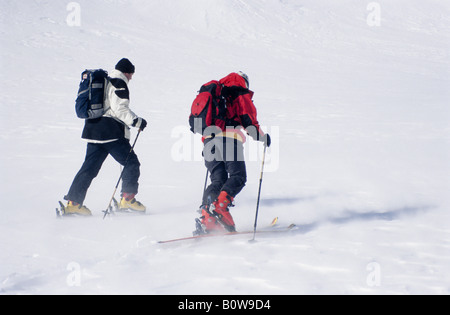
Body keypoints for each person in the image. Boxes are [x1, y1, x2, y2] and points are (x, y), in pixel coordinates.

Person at [64, 58, 147, 216]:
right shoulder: (119, 83)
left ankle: (73, 203)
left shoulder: (105, 80)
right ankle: (127, 201)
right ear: (127, 72)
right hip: (110, 132)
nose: (131, 78)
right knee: (131, 163)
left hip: (93, 130)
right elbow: (119, 109)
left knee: (89, 169)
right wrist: (137, 121)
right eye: (131, 74)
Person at [198, 71, 271, 232]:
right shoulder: (239, 90)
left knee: (218, 180)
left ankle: (207, 217)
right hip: (229, 138)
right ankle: (220, 208)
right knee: (238, 176)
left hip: (208, 141)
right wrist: (262, 137)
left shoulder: (215, 90)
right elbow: (248, 119)